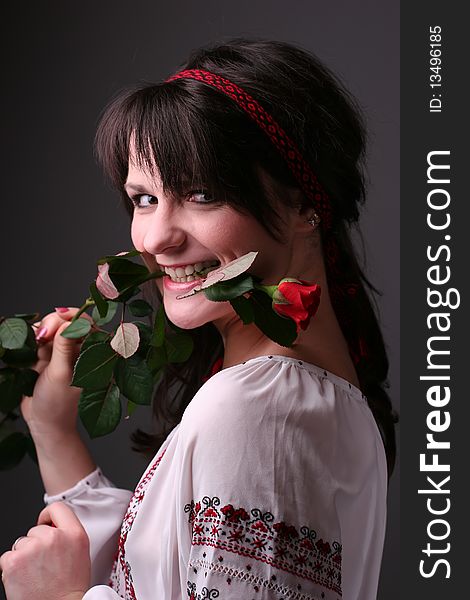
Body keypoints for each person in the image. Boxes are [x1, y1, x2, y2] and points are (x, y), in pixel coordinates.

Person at [0, 38, 397, 600]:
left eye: (202, 193)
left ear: (305, 205)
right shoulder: (291, 396)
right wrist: (53, 428)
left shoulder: (258, 405)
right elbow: (165, 567)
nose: (157, 238)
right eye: (143, 199)